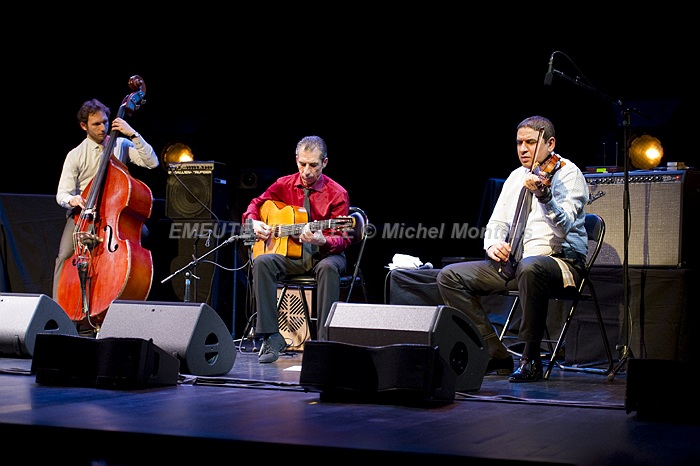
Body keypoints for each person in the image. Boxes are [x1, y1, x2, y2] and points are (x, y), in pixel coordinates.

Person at [437, 115, 588, 382]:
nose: (523, 149)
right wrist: (493, 244)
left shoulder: (569, 175)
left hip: (560, 263)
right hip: (519, 265)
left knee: (531, 266)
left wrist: (545, 196)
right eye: (519, 143)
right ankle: (495, 353)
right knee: (449, 276)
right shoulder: (516, 176)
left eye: (531, 142)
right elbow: (497, 222)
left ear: (550, 143)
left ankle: (531, 358)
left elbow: (563, 229)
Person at [242, 135, 351, 363]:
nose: (307, 171)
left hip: (325, 255)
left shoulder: (337, 193)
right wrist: (254, 222)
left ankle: (324, 343)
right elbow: (256, 204)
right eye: (302, 164)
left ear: (325, 163)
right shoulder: (283, 184)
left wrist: (323, 241)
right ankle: (271, 337)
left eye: (313, 165)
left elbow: (343, 239)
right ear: (296, 160)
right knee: (262, 262)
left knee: (328, 268)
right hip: (293, 256)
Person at [53, 98, 159, 301]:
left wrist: (133, 134)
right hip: (84, 214)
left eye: (105, 122)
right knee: (64, 254)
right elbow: (62, 194)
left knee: (143, 235)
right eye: (96, 124)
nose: (103, 128)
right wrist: (73, 200)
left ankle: (123, 295)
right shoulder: (75, 155)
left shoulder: (120, 144)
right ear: (84, 126)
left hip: (114, 212)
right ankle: (57, 307)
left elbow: (152, 162)